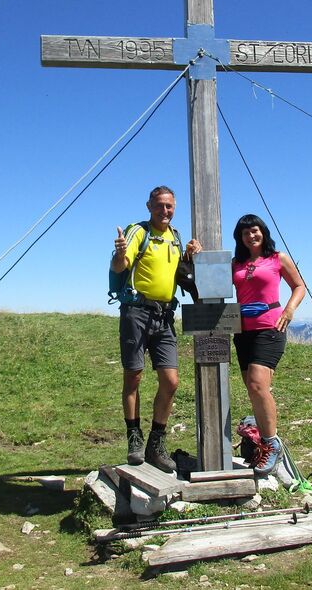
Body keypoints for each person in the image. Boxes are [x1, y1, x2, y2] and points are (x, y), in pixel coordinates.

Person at [112, 185, 201, 471]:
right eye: (160, 205)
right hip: (136, 312)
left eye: (169, 206)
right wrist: (119, 253)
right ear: (149, 206)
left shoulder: (176, 237)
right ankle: (134, 437)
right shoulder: (139, 232)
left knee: (171, 381)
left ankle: (155, 442)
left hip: (164, 316)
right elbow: (120, 266)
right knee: (133, 377)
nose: (165, 210)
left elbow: (178, 271)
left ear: (174, 208)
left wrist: (190, 256)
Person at [231, 213, 306, 476]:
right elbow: (213, 282)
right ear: (240, 238)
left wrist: (289, 310)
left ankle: (272, 445)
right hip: (242, 331)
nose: (251, 235)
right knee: (254, 389)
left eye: (255, 230)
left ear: (263, 232)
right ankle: (263, 442)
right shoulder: (236, 264)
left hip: (270, 328)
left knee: (257, 385)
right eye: (245, 233)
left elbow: (299, 286)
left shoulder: (277, 258)